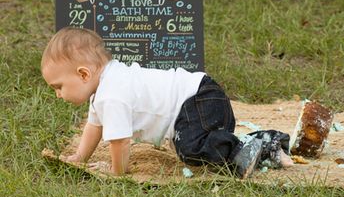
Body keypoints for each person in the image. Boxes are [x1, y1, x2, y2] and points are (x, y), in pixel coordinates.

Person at [41, 27, 292, 177]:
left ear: (83, 74)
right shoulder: (104, 88)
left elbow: (120, 142)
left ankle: (251, 147)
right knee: (188, 143)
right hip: (199, 98)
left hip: (198, 100)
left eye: (58, 87)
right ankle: (267, 148)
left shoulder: (111, 95)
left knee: (190, 149)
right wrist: (80, 156)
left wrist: (117, 171)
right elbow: (93, 126)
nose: (58, 94)